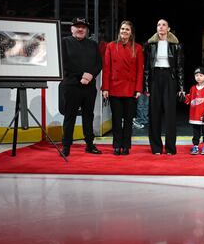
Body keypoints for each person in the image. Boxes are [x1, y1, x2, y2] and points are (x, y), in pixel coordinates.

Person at [60, 17, 103, 157]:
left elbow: (99, 63)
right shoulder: (64, 42)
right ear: (72, 28)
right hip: (71, 85)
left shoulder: (93, 44)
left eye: (83, 27)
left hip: (89, 86)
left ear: (86, 30)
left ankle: (90, 145)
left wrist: (91, 75)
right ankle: (66, 146)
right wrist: (82, 75)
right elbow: (64, 63)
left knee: (88, 116)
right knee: (69, 116)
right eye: (77, 26)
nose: (80, 29)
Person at [101, 20, 144, 155]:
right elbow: (107, 68)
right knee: (116, 119)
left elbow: (140, 71)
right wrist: (105, 88)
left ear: (131, 33)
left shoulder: (137, 48)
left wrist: (138, 89)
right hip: (114, 88)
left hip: (130, 89)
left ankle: (126, 146)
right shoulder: (111, 46)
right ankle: (116, 145)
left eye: (127, 29)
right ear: (119, 31)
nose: (124, 31)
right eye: (122, 29)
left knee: (128, 119)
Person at [144, 19, 184, 155]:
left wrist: (181, 87)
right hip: (155, 78)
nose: (161, 27)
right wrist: (147, 87)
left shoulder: (176, 45)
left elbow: (179, 68)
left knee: (170, 115)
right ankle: (156, 147)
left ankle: (170, 148)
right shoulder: (150, 45)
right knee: (154, 113)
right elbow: (147, 69)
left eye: (164, 25)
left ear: (168, 28)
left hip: (169, 79)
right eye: (158, 25)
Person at [185, 66, 204, 155]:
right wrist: (184, 98)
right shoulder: (193, 88)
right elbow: (189, 99)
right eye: (196, 75)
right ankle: (195, 146)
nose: (198, 77)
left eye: (201, 75)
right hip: (195, 115)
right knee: (196, 132)